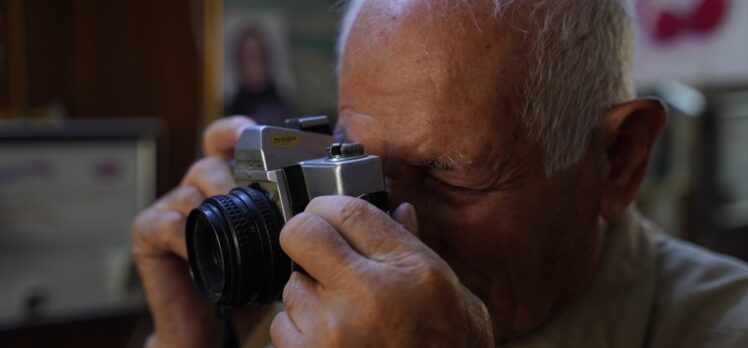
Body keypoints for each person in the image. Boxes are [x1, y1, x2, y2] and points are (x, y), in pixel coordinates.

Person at [131, 0, 748, 347]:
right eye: (353, 161)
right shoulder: (291, 311)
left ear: (620, 161)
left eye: (449, 178)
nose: (387, 226)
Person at [226, 29, 290, 126]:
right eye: (248, 57)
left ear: (265, 58)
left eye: (256, 54)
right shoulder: (233, 107)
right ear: (239, 61)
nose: (252, 62)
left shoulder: (280, 103)